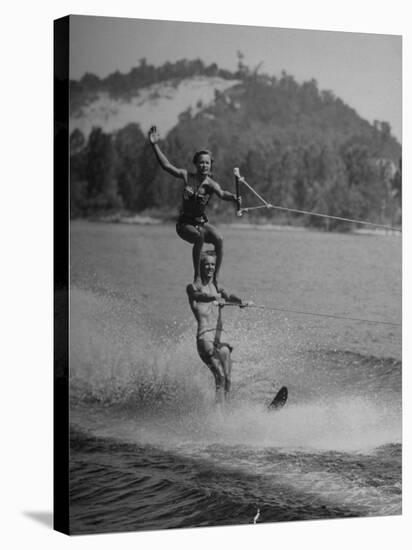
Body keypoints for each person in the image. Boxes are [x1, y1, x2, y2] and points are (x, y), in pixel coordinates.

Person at [148, 125, 240, 288]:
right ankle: (197, 277)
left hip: (200, 223)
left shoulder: (212, 184)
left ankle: (216, 279)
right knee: (199, 238)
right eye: (201, 163)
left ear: (210, 165)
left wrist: (234, 198)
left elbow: (222, 194)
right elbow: (167, 166)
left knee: (219, 239)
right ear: (196, 164)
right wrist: (154, 145)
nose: (204, 165)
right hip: (184, 225)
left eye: (207, 163)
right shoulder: (186, 175)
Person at [186, 251, 251, 405]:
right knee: (219, 376)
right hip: (204, 338)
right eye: (207, 264)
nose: (210, 267)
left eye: (213, 264)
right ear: (200, 266)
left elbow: (229, 297)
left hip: (220, 336)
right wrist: (214, 298)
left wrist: (239, 301)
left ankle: (226, 410)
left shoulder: (218, 287)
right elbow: (197, 296)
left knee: (228, 378)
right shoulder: (193, 287)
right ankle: (217, 413)